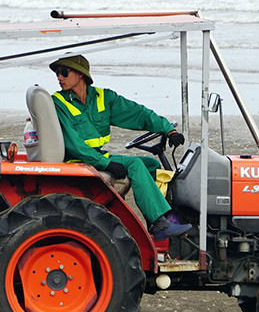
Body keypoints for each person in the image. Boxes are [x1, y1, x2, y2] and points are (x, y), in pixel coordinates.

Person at [49, 54, 193, 240]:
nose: (59, 77)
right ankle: (159, 223)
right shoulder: (59, 103)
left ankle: (160, 219)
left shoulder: (103, 98)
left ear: (80, 74)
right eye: (57, 73)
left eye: (64, 72)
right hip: (79, 160)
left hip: (95, 157)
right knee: (135, 165)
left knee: (151, 164)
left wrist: (168, 131)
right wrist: (106, 163)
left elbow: (138, 114)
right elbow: (75, 146)